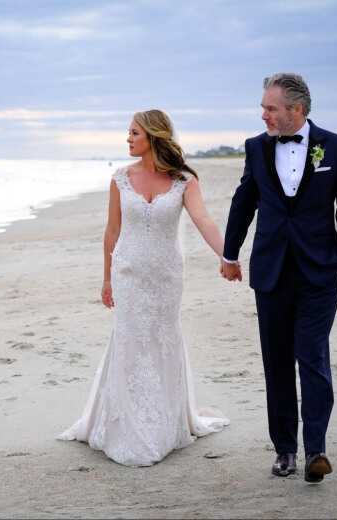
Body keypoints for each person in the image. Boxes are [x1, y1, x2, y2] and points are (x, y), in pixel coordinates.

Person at [57, 109, 230, 467]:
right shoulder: (120, 178)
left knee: (163, 341)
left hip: (167, 276)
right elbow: (112, 233)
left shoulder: (184, 181)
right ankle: (126, 425)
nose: (128, 139)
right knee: (131, 341)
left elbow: (203, 219)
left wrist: (227, 255)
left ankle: (165, 422)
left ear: (153, 136)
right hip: (129, 274)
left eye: (134, 133)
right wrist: (106, 278)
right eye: (128, 133)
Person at [221, 73, 337, 483]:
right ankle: (285, 450)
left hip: (320, 271)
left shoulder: (333, 146)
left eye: (270, 107)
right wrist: (230, 254)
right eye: (263, 106)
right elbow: (244, 202)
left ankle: (316, 449)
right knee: (277, 361)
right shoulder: (255, 148)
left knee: (312, 355)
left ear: (296, 110)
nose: (262, 113)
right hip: (270, 271)